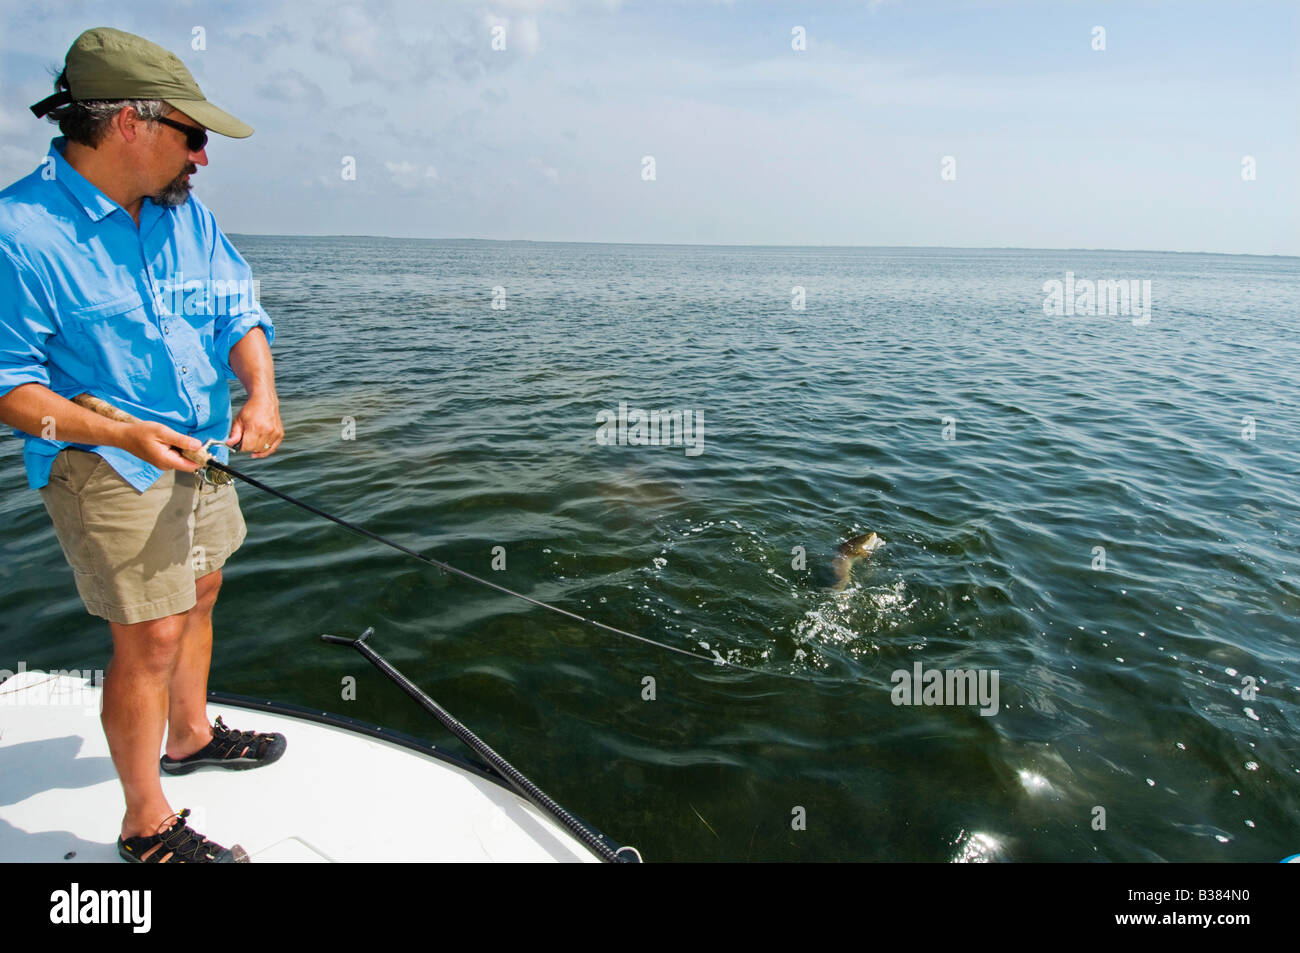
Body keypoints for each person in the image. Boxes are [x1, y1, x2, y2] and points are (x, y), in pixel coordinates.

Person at [0, 27, 286, 863]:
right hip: (104, 465)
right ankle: (145, 825)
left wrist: (260, 392)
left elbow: (241, 311)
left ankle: (189, 734)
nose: (203, 157)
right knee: (150, 636)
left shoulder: (184, 213)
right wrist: (118, 429)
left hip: (202, 450)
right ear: (131, 123)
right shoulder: (17, 232)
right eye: (191, 135)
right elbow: (11, 387)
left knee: (202, 591)